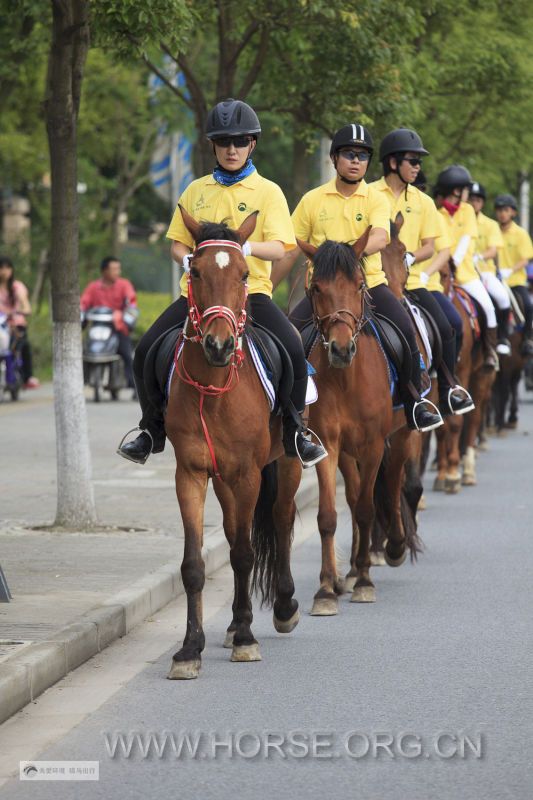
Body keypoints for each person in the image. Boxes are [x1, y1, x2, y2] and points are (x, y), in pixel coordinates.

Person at [117, 98, 327, 468]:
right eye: (224, 142)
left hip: (251, 294)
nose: (232, 149)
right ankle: (151, 429)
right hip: (197, 296)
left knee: (294, 349)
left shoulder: (268, 191)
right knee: (145, 350)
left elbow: (282, 247)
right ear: (212, 145)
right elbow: (178, 242)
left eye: (240, 142)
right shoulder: (195, 191)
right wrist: (185, 259)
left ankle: (294, 429)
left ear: (252, 145)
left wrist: (245, 246)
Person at [272, 124, 443, 433]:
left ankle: (414, 400)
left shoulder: (375, 199)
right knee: (289, 338)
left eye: (362, 156)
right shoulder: (312, 200)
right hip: (322, 292)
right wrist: (267, 287)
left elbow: (380, 237)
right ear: (335, 159)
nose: (355, 161)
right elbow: (289, 248)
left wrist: (346, 251)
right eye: (349, 154)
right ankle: (289, 414)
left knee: (404, 328)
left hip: (369, 284)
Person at [372, 128, 473, 415]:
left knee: (450, 322)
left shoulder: (423, 201)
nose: (418, 167)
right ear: (393, 163)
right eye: (412, 161)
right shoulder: (368, 194)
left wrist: (412, 258)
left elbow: (431, 246)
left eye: (419, 162)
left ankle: (448, 388)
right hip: (372, 281)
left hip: (414, 281)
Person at [433, 165, 499, 371]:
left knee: (488, 307)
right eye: (465, 189)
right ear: (456, 190)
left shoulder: (468, 210)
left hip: (466, 274)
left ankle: (490, 351)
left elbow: (465, 239)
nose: (467, 194)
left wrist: (455, 262)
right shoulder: (437, 213)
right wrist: (444, 266)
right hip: (439, 274)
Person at [413, 171, 465, 358]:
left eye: (422, 189)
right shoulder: (383, 202)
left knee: (454, 322)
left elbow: (444, 251)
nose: (418, 192)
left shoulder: (430, 211)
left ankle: (448, 379)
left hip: (425, 282)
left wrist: (426, 273)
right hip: (388, 280)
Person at [80, 256, 137, 390]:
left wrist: (127, 317)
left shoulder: (124, 285)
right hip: (97, 327)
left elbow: (132, 303)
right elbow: (83, 304)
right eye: (114, 269)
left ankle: (135, 387)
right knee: (82, 351)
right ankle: (80, 381)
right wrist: (80, 315)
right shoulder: (93, 287)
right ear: (104, 271)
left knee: (127, 355)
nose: (118, 272)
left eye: (118, 268)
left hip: (117, 328)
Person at [468, 182, 511, 355]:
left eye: (478, 199)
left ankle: (502, 338)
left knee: (503, 299)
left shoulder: (491, 224)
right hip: (464, 272)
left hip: (484, 272)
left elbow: (493, 249)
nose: (474, 202)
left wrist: (479, 256)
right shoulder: (460, 220)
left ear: (482, 202)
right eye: (471, 199)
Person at [494, 193, 533, 356]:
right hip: (496, 280)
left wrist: (510, 270)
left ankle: (528, 340)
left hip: (515, 281)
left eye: (506, 210)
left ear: (513, 213)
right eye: (499, 210)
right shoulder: (492, 229)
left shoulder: (520, 233)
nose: (502, 213)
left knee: (528, 306)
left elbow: (526, 258)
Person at [0, 256, 40, 389]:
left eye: (7, 268)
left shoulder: (17, 287)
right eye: (1, 268)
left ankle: (28, 376)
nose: (4, 271)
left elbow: (25, 304)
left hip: (16, 324)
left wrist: (23, 310)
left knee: (23, 345)